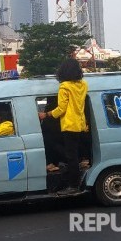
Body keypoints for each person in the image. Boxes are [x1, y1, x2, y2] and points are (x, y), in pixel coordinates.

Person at [38, 58, 88, 195]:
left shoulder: (64, 86)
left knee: (71, 156)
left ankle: (73, 186)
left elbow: (61, 109)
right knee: (73, 153)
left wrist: (46, 115)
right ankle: (75, 174)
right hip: (80, 124)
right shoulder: (83, 85)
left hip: (69, 125)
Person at [41, 96, 65, 172]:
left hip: (53, 120)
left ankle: (53, 163)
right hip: (54, 120)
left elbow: (61, 109)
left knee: (50, 141)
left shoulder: (62, 91)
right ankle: (53, 162)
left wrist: (46, 115)